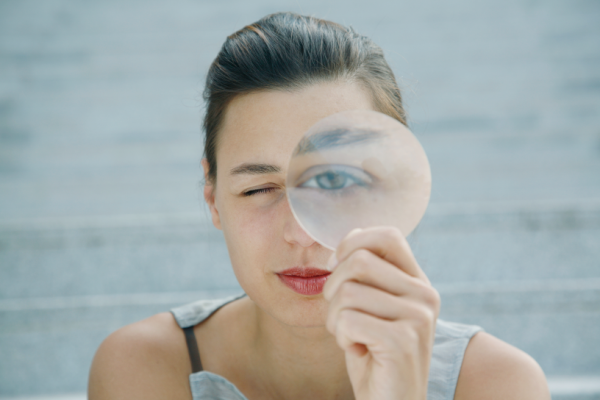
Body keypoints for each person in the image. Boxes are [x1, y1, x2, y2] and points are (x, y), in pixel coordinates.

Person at [88, 12, 550, 400]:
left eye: (336, 180)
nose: (302, 233)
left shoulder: (498, 383)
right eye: (259, 189)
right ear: (212, 198)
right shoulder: (143, 368)